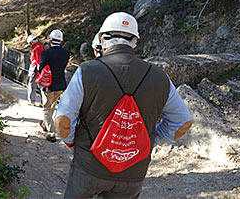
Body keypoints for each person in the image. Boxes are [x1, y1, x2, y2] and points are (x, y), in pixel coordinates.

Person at [53, 12, 193, 198]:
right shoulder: (160, 77)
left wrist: (73, 143)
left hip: (89, 166)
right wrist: (148, 142)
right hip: (133, 171)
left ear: (103, 40)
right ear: (134, 42)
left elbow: (62, 120)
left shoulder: (86, 71)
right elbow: (183, 122)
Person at [38, 29, 70, 142]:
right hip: (60, 85)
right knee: (52, 106)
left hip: (48, 85)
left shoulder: (45, 53)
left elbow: (41, 68)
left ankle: (51, 132)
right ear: (60, 41)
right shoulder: (66, 53)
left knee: (46, 108)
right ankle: (45, 123)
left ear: (50, 40)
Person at [26, 34, 46, 106]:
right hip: (42, 70)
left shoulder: (36, 49)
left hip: (35, 70)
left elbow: (37, 61)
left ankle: (32, 101)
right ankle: (42, 102)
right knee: (41, 87)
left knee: (32, 85)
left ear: (31, 42)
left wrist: (39, 72)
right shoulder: (43, 47)